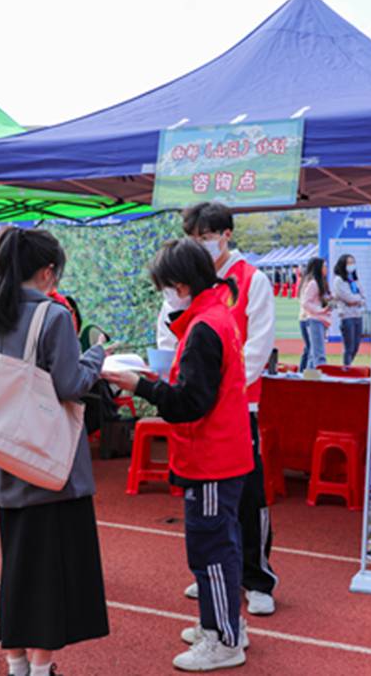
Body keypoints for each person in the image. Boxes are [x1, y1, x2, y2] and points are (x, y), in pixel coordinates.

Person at [0, 227, 109, 676]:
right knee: (52, 575)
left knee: (17, 569)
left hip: (1, 461)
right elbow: (70, 384)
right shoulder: (54, 316)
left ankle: (17, 662)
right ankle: (42, 667)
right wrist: (97, 356)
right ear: (47, 272)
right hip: (48, 465)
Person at [107, 238, 253, 672]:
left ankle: (223, 637)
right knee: (219, 545)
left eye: (165, 286)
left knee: (210, 550)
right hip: (221, 452)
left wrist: (141, 386)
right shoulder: (215, 315)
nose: (165, 295)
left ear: (181, 284)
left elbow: (191, 403)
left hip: (212, 457)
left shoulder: (205, 327)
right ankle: (226, 625)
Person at [156, 202, 278, 617]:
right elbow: (168, 334)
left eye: (206, 236)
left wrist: (224, 388)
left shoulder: (251, 279)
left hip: (239, 405)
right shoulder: (184, 280)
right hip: (198, 403)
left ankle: (257, 577)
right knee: (207, 503)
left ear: (226, 234)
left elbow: (259, 344)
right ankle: (215, 573)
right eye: (193, 237)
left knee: (247, 497)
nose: (199, 243)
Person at [332, 254, 366, 367]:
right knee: (349, 347)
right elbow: (349, 298)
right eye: (349, 263)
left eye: (353, 262)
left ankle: (348, 366)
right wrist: (358, 299)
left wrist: (358, 300)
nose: (352, 265)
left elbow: (363, 296)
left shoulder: (354, 280)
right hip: (347, 316)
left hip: (358, 315)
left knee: (356, 346)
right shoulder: (339, 280)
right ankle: (346, 368)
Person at [298, 257, 331, 371]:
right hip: (313, 319)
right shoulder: (313, 283)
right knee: (317, 353)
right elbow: (305, 302)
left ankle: (306, 375)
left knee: (312, 352)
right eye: (324, 266)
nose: (326, 268)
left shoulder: (320, 283)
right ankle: (313, 375)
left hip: (317, 319)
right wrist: (320, 310)